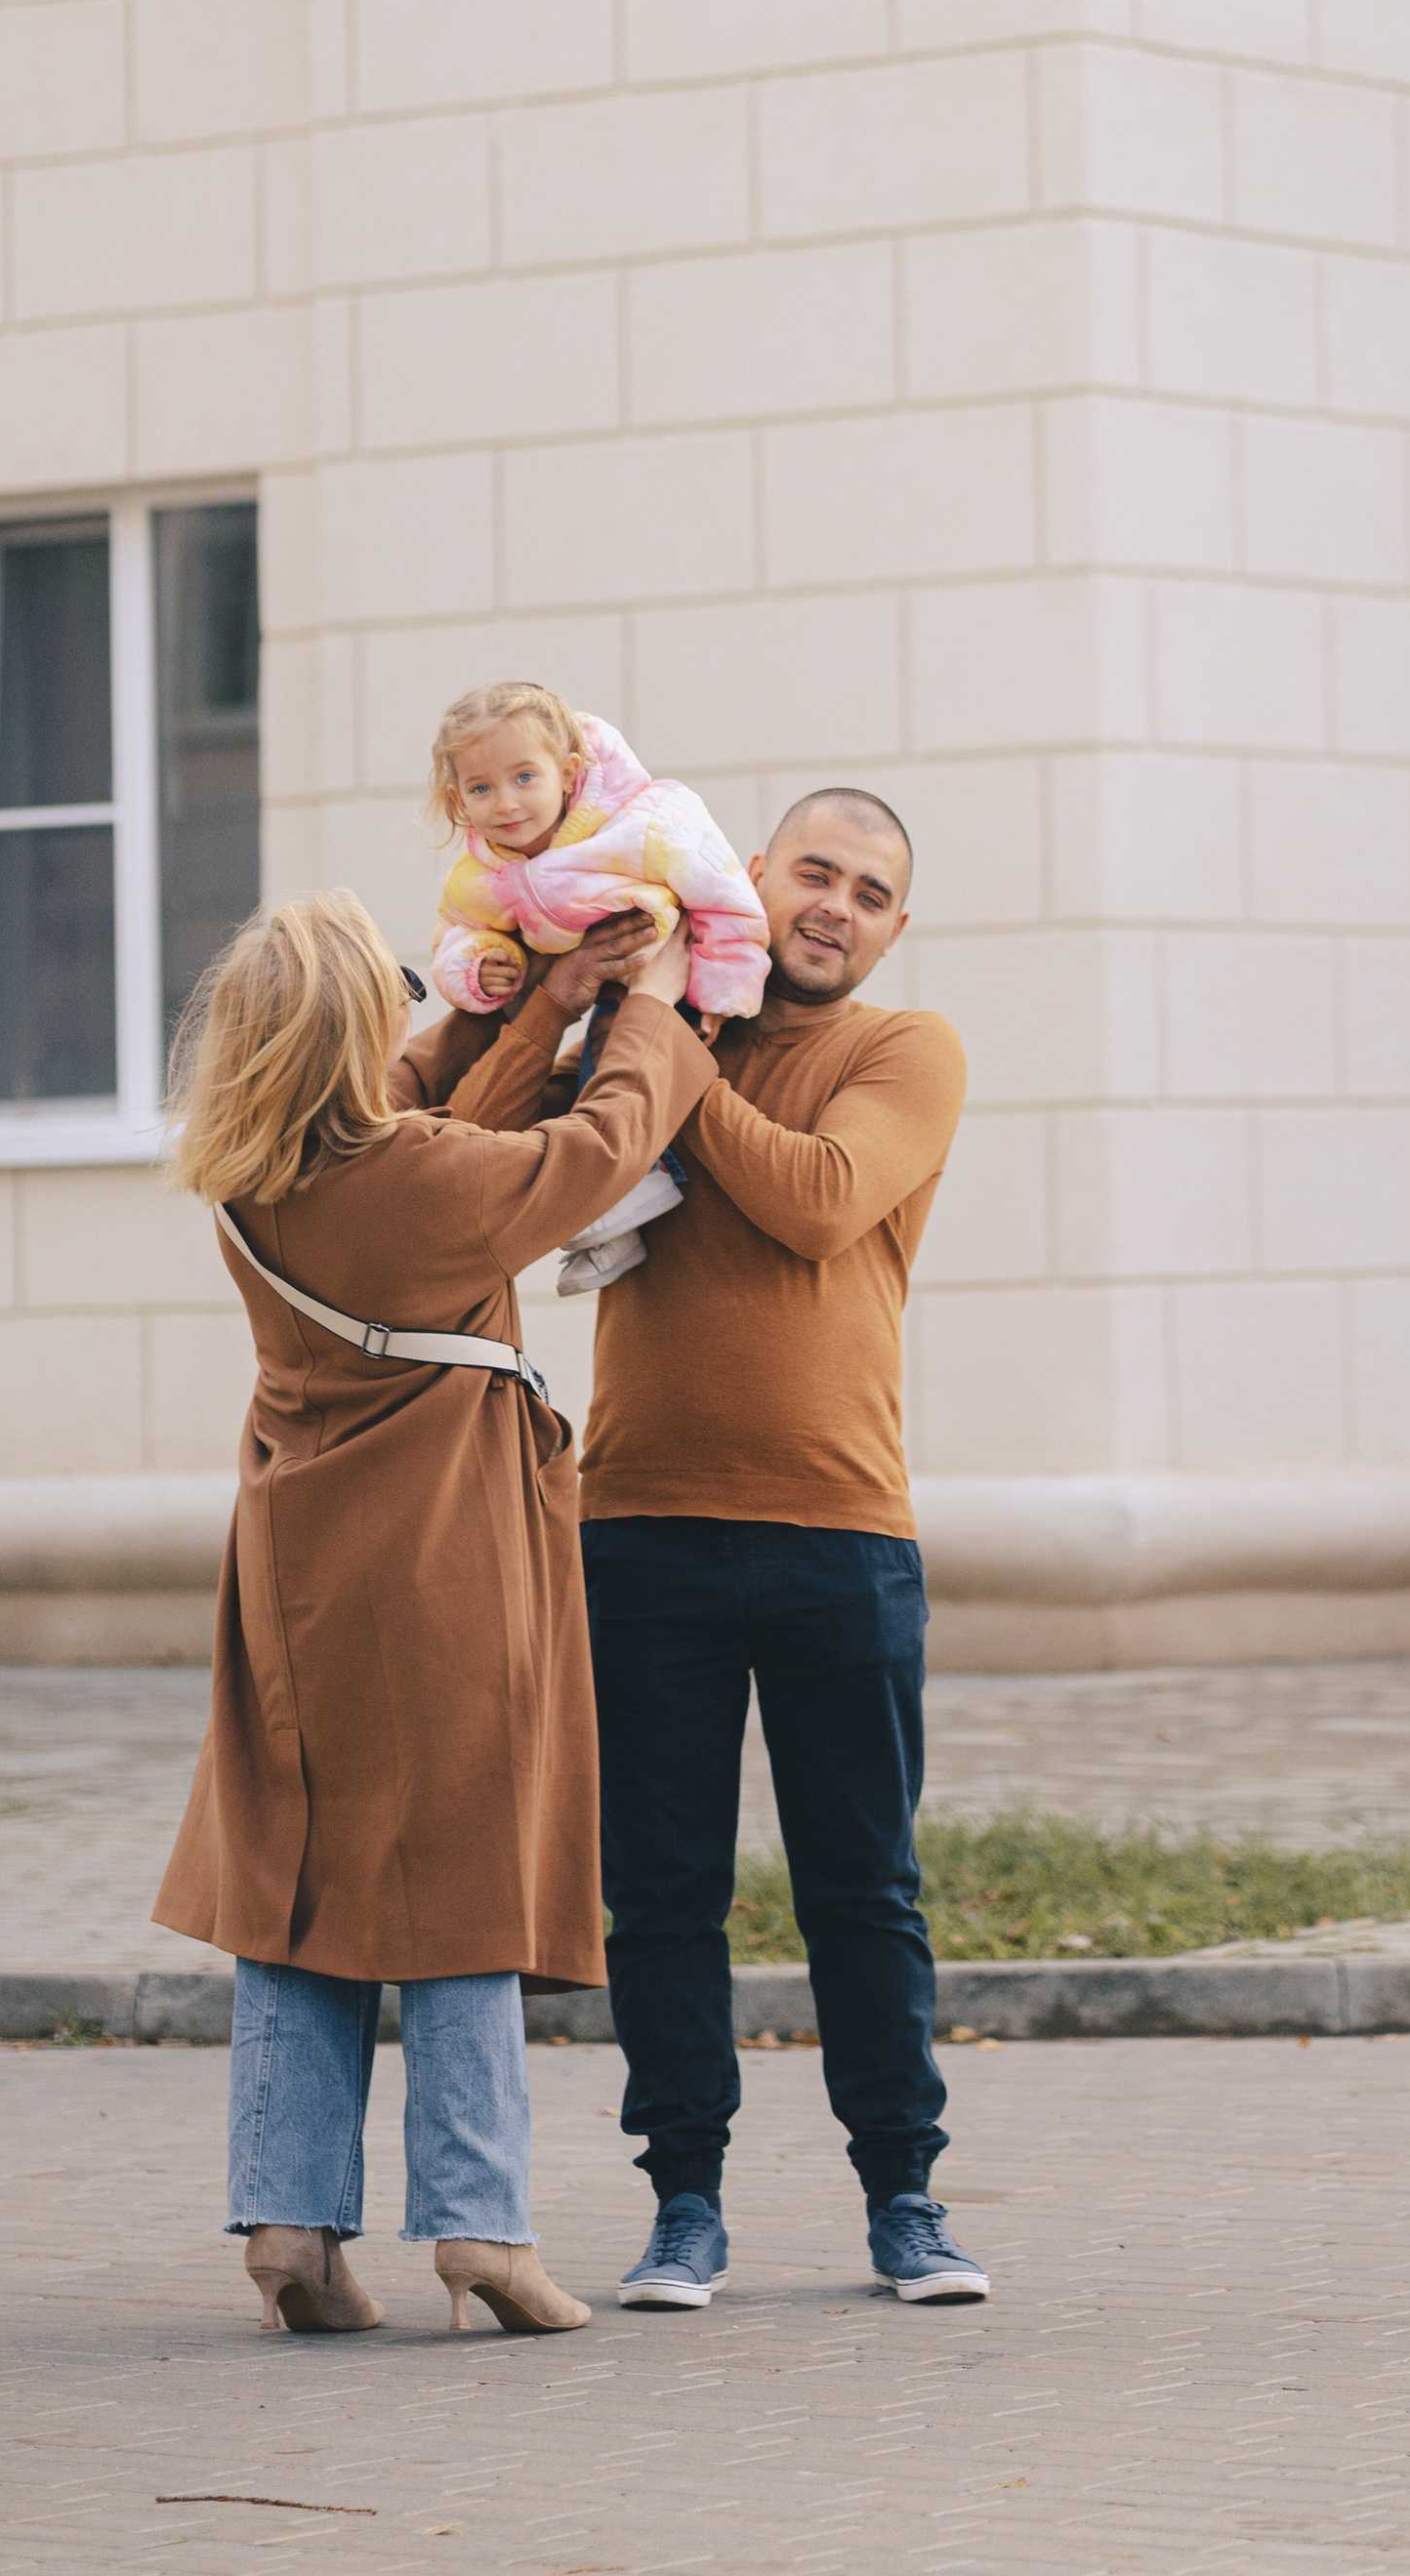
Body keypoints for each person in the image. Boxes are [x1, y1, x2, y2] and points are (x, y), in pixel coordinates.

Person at [447, 786, 983, 2308]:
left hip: (842, 1534)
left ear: (892, 927)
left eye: (872, 891)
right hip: (641, 1530)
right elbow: (476, 1159)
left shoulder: (903, 1050)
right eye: (816, 871)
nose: (838, 904)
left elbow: (817, 1203)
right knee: (663, 1893)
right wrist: (570, 998)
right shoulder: (663, 1015)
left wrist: (666, 1050)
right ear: (754, 877)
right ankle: (684, 2203)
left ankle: (906, 2201)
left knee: (862, 1890)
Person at [154, 886, 712, 2336]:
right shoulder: (416, 1178)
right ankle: (482, 2228)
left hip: (293, 1557)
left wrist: (534, 1003)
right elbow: (593, 1152)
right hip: (440, 1559)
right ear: (350, 1025)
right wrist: (647, 1003)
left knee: (299, 1874)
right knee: (464, 1871)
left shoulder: (248, 1165)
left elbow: (417, 1104)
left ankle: (288, 2221)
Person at [426, 680, 768, 1293]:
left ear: (568, 771)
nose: (506, 802)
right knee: (584, 1076)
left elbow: (727, 895)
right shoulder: (483, 870)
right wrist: (481, 967)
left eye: (524, 777)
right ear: (458, 801)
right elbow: (457, 932)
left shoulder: (643, 823)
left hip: (671, 961)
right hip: (595, 971)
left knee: (616, 1059)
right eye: (482, 788)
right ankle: (620, 1224)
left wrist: (721, 991)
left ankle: (634, 1189)